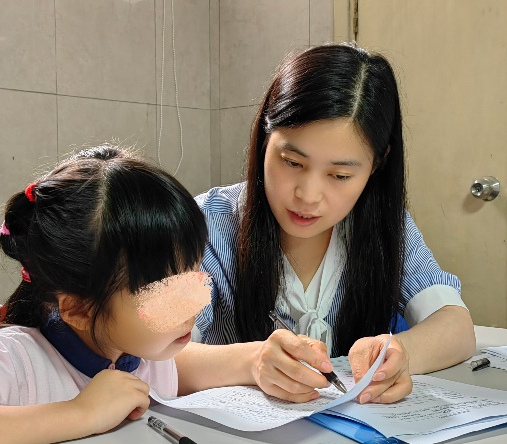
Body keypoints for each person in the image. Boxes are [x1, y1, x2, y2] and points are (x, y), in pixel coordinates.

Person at [0, 145, 261, 444]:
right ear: (81, 310)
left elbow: (190, 364)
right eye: (166, 291)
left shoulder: (142, 353)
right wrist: (79, 413)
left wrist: (259, 358)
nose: (197, 301)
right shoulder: (16, 360)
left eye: (195, 274)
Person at [186, 43, 476, 406]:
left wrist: (398, 354)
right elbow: (154, 354)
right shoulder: (206, 224)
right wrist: (251, 361)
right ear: (265, 138)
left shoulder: (384, 226)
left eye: (339, 175)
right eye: (292, 162)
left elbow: (456, 325)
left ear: (376, 165)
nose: (308, 196)